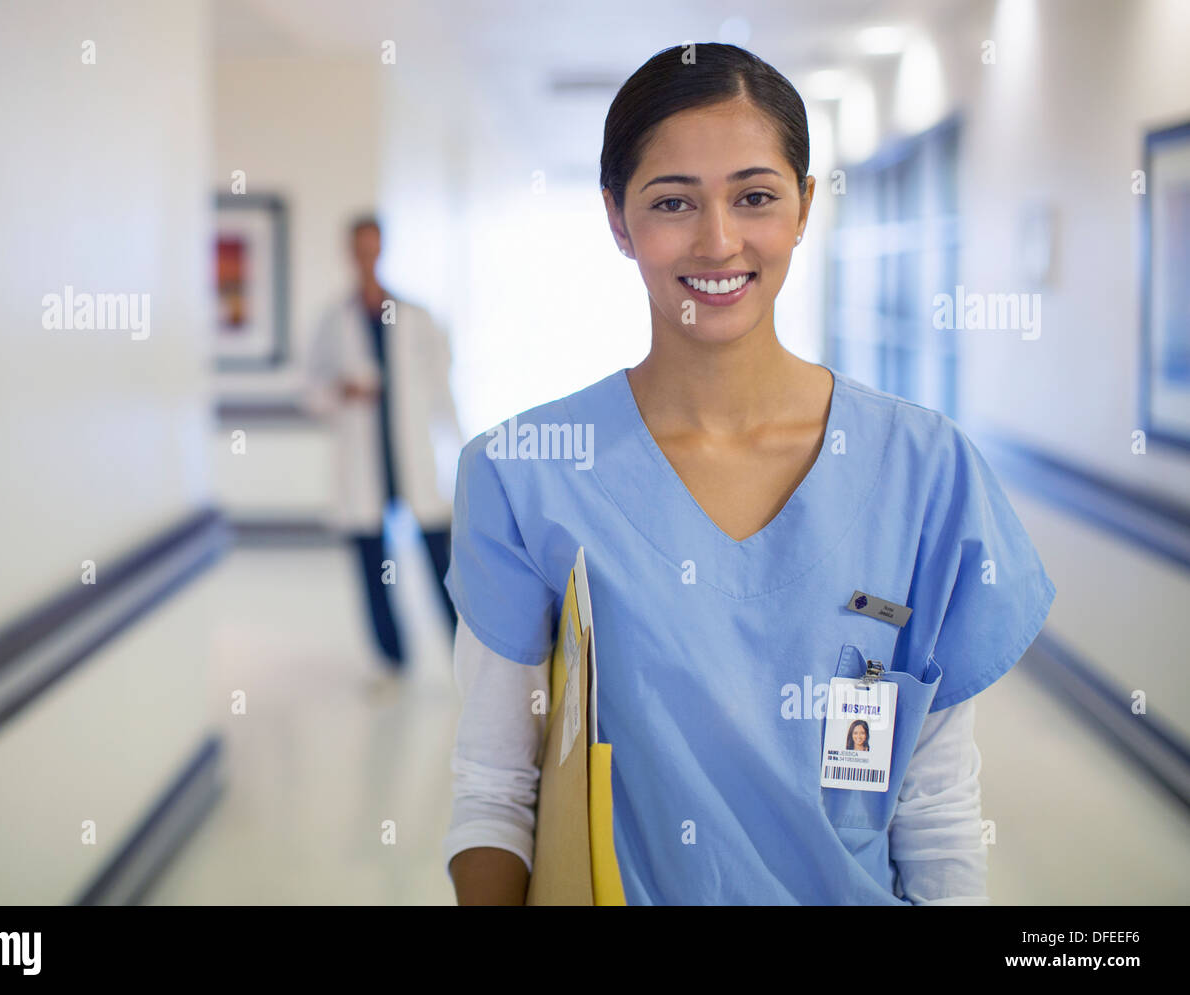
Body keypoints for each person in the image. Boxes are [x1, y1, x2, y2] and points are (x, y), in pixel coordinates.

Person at [441, 44, 1055, 905]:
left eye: (755, 196)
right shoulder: (524, 475)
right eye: (673, 202)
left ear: (804, 208)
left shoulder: (924, 470)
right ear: (618, 220)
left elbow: (936, 806)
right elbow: (497, 789)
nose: (719, 239)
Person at [303, 215, 462, 677]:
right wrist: (339, 392)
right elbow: (310, 390)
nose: (366, 256)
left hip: (413, 460)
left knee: (441, 562)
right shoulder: (335, 321)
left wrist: (464, 449)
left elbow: (441, 389)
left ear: (382, 249)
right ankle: (392, 661)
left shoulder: (415, 317)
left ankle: (464, 656)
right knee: (372, 566)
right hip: (363, 463)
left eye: (373, 247)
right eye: (359, 247)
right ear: (349, 252)